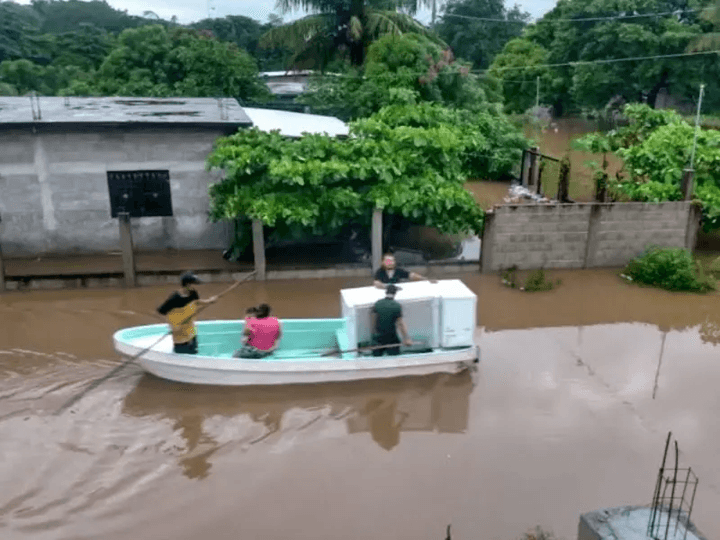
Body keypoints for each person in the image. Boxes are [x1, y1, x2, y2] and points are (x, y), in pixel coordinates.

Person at [157, 272, 217, 355]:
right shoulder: (175, 298)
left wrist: (209, 301)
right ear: (187, 284)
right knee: (181, 354)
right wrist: (173, 326)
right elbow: (161, 311)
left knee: (193, 351)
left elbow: (197, 302)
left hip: (190, 328)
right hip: (179, 331)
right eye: (194, 284)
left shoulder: (193, 293)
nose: (196, 286)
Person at [371, 284, 413, 357]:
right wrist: (406, 339)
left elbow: (372, 320)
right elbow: (400, 324)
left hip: (377, 338)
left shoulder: (377, 303)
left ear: (386, 292)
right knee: (394, 359)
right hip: (391, 338)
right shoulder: (396, 306)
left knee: (376, 360)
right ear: (395, 293)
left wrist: (372, 335)